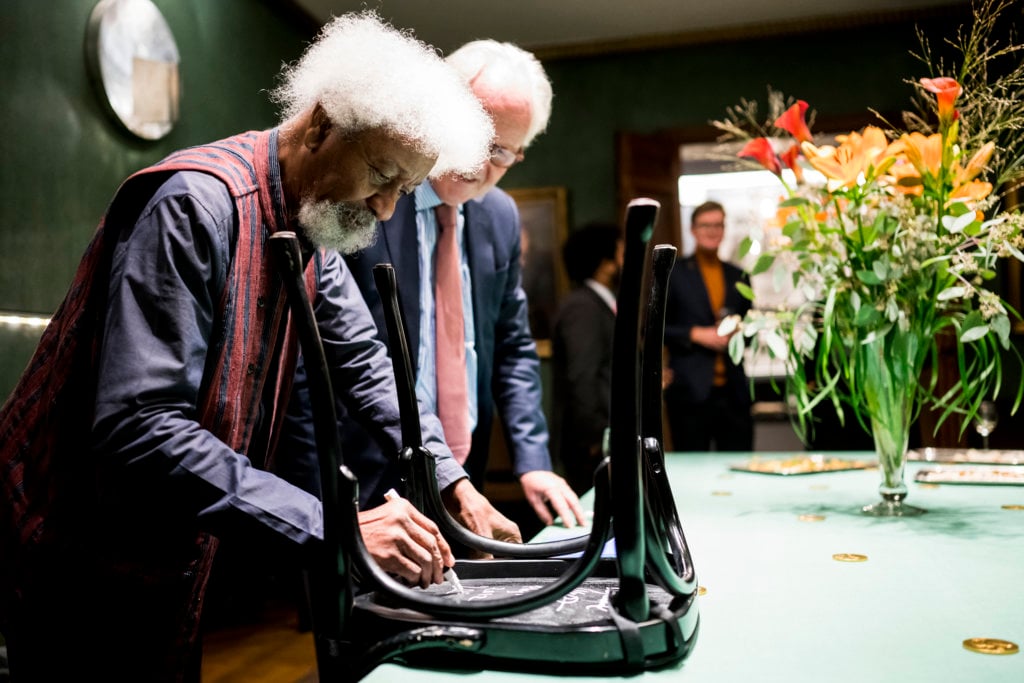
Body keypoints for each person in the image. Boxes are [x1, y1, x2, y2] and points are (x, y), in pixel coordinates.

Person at [0, 12, 521, 680]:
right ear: (321, 123)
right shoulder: (193, 205)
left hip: (165, 561)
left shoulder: (312, 222)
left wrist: (451, 481)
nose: (388, 208)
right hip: (69, 560)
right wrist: (342, 526)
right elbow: (140, 424)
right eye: (380, 173)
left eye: (405, 188)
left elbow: (367, 365)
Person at [341, 40, 587, 529]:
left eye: (501, 151)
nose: (480, 162)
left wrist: (533, 460)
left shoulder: (499, 216)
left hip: (464, 470)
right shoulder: (370, 192)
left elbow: (512, 346)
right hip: (365, 470)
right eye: (475, 134)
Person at [663, 201, 754, 451]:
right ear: (693, 230)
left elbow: (752, 330)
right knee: (692, 467)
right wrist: (695, 334)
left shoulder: (738, 275)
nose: (712, 231)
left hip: (734, 392)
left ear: (724, 229)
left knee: (738, 463)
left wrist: (738, 333)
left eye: (718, 225)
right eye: (705, 225)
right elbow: (654, 330)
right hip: (690, 392)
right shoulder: (675, 273)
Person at [550, 221, 623, 495]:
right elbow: (582, 375)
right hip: (590, 445)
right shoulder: (583, 307)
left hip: (600, 439)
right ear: (604, 262)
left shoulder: (598, 301)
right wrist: (594, 437)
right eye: (620, 250)